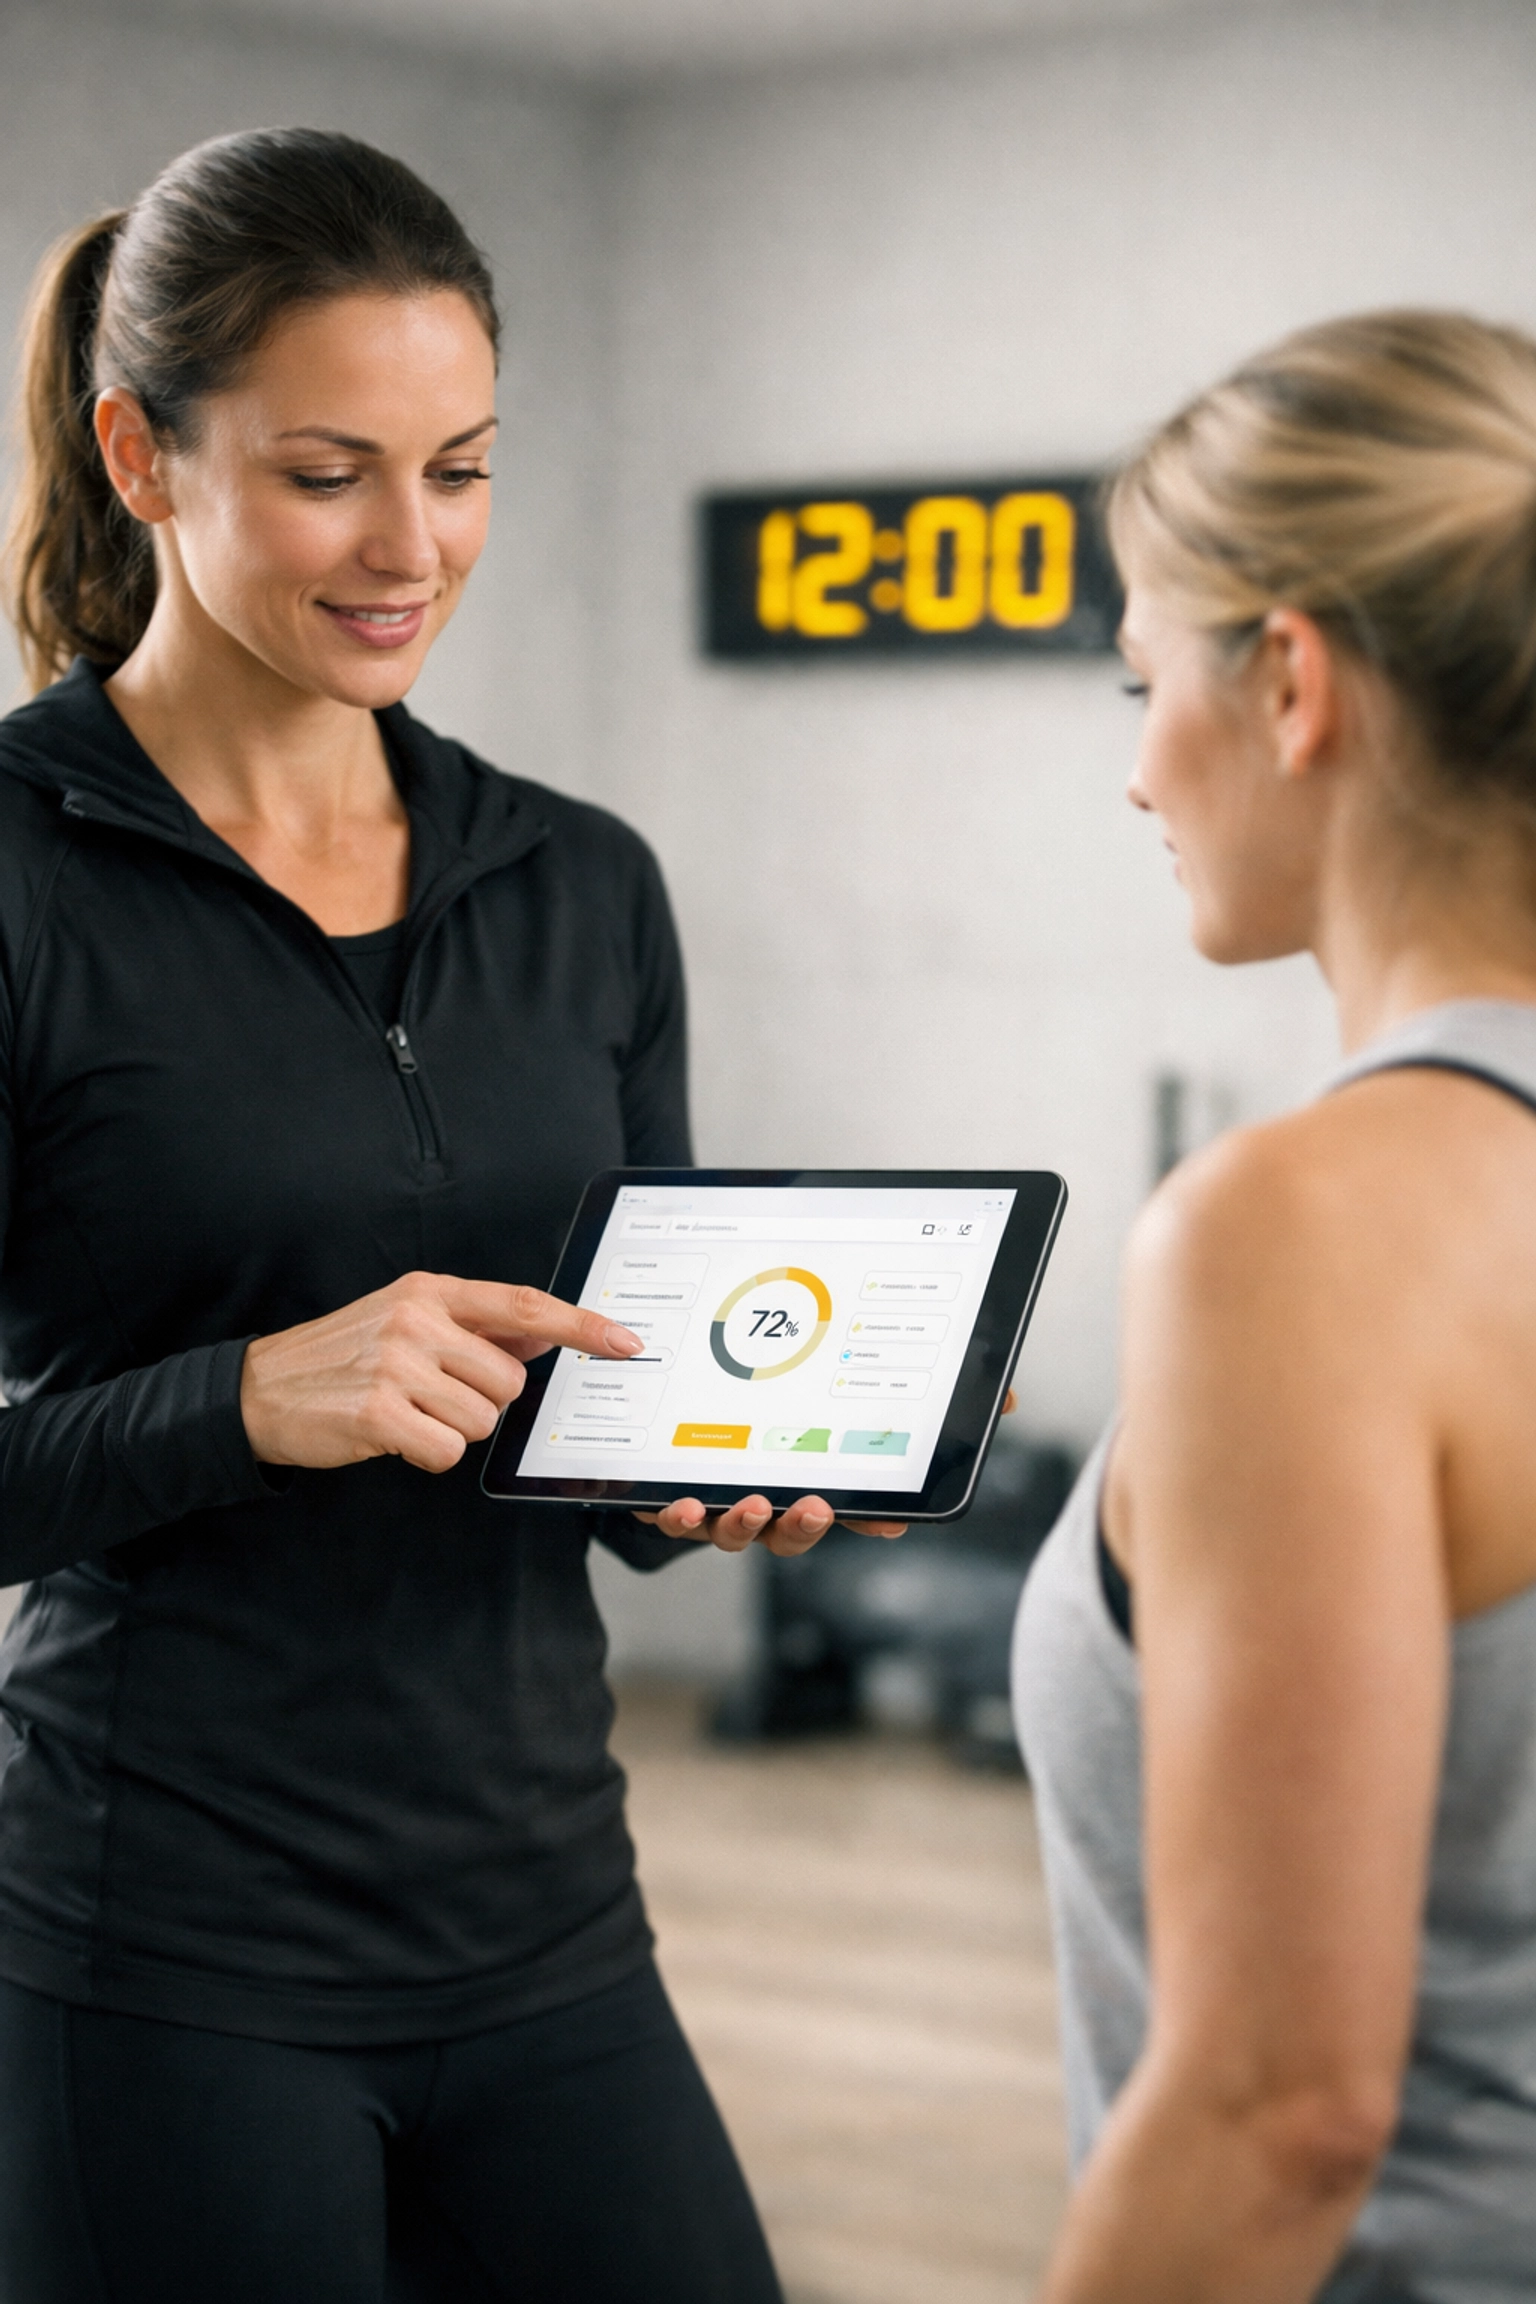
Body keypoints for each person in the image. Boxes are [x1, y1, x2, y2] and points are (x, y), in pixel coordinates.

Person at [0, 126, 887, 2304]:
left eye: (463, 467)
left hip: (550, 1928)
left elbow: (610, 1425)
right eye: (329, 472)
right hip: (162, 1956)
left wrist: (715, 1471)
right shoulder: (18, 877)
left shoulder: (578, 881)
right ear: (143, 452)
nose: (414, 546)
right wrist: (244, 1400)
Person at [1013, 310, 1536, 2304]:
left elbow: (1278, 2111)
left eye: (1146, 680)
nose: (1140, 765)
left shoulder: (1295, 1239)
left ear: (1293, 680)